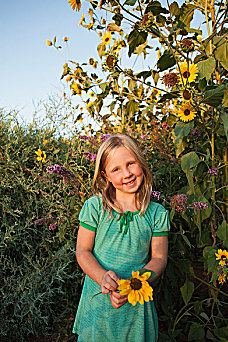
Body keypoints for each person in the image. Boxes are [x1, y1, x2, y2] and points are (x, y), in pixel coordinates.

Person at [73, 133, 170, 342]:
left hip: (136, 302)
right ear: (105, 175)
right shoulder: (94, 207)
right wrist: (102, 277)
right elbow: (83, 251)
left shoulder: (157, 213)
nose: (126, 174)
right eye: (116, 169)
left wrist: (135, 284)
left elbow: (159, 258)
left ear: (141, 164)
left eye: (131, 164)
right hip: (99, 301)